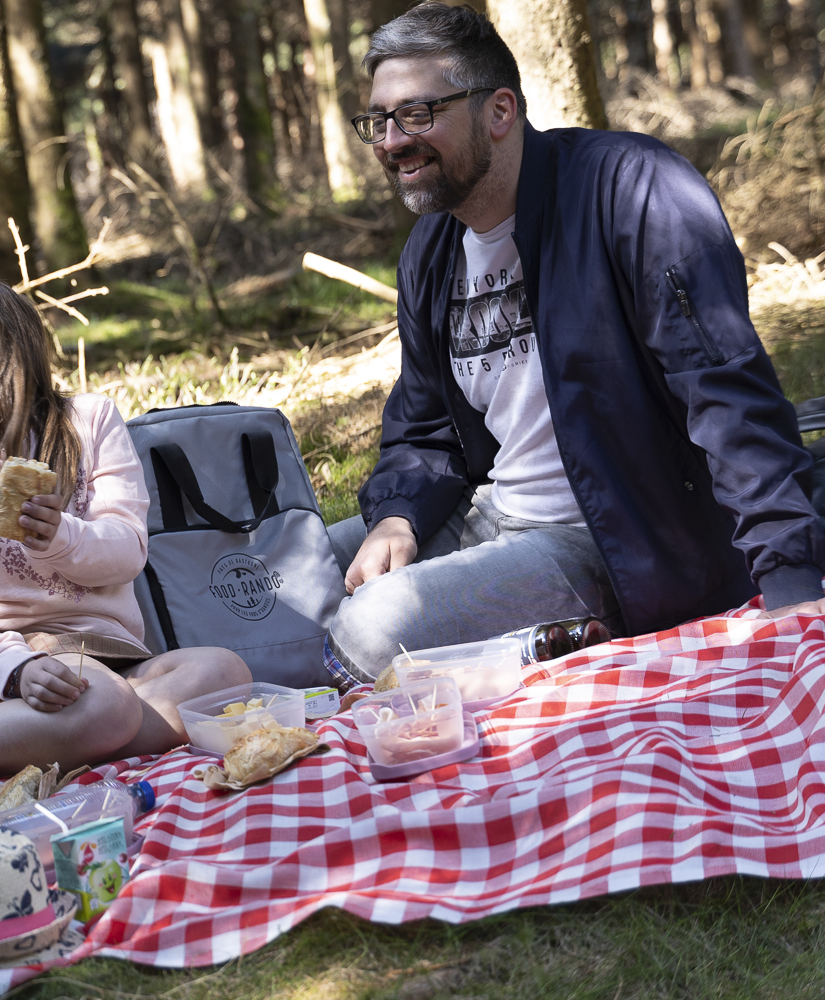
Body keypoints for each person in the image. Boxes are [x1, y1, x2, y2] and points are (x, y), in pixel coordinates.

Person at [323, 3, 825, 683]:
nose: (390, 141)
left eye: (416, 114)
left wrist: (792, 577)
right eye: (379, 121)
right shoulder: (432, 251)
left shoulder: (632, 191)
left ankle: (553, 649)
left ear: (499, 112)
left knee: (367, 632)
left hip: (618, 539)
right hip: (493, 516)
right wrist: (398, 515)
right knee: (295, 578)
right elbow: (426, 427)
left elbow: (725, 391)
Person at [0, 266, 251, 795]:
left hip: (112, 658)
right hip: (1, 672)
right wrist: (17, 669)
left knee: (224, 675)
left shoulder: (88, 422)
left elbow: (129, 551)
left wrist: (61, 537)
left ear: (7, 328)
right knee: (105, 705)